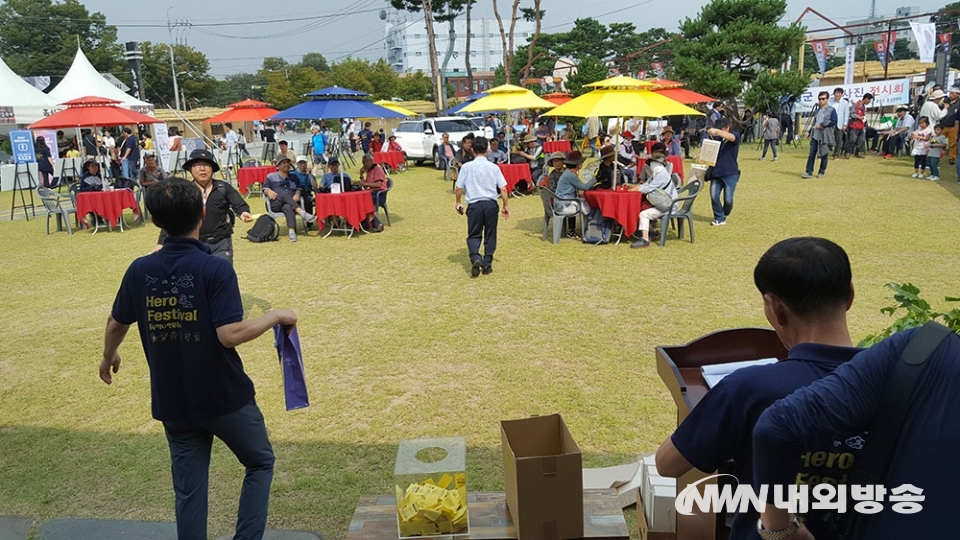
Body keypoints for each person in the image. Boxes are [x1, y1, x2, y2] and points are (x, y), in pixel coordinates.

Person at [100, 177, 296, 540]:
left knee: (189, 490)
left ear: (155, 221)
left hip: (174, 401)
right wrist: (275, 315)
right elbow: (229, 334)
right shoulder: (216, 268)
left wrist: (107, 357)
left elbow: (117, 321)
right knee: (260, 462)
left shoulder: (139, 269)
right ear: (203, 214)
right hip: (225, 396)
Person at [656, 236, 864, 540]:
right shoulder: (903, 383)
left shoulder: (747, 388)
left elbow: (667, 463)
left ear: (776, 309)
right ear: (849, 296)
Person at [154, 149, 253, 264]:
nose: (202, 169)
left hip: (221, 243)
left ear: (212, 168)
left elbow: (239, 204)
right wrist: (161, 243)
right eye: (197, 165)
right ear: (190, 169)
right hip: (193, 244)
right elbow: (172, 219)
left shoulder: (223, 188)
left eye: (206, 165)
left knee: (221, 276)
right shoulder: (185, 192)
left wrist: (243, 212)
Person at [454, 136, 509, 278]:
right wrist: (505, 205)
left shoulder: (466, 167)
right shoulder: (494, 167)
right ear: (487, 149)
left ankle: (475, 257)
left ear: (472, 150)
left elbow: (458, 187)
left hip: (474, 205)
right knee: (490, 233)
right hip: (490, 204)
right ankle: (488, 261)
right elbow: (503, 188)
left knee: (474, 234)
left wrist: (458, 202)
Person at [627, 143, 677, 249]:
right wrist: (633, 186)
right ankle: (650, 232)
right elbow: (646, 184)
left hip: (667, 206)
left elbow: (648, 189)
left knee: (643, 214)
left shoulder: (661, 174)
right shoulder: (657, 173)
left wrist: (635, 189)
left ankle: (645, 240)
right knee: (640, 209)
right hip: (662, 203)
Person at [262, 155, 318, 242]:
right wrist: (269, 191)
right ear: (278, 166)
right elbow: (265, 188)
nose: (287, 165)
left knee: (288, 207)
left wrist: (297, 194)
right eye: (284, 163)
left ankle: (291, 231)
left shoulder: (293, 177)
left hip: (290, 203)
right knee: (284, 193)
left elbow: (299, 188)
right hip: (276, 202)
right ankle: (302, 212)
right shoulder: (271, 176)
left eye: (288, 163)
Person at [705, 117, 741, 226]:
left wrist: (717, 131)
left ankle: (725, 212)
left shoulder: (734, 136)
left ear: (727, 127)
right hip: (716, 173)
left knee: (728, 199)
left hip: (730, 173)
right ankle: (719, 218)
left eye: (721, 129)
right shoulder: (716, 140)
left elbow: (731, 137)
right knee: (714, 196)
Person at [801, 91, 837, 179]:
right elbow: (814, 122)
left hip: (824, 136)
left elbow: (834, 121)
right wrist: (809, 132)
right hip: (815, 135)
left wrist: (823, 125)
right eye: (820, 99)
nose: (821, 101)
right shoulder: (818, 110)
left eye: (823, 99)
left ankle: (821, 171)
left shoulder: (831, 110)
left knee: (824, 154)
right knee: (811, 154)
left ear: (827, 99)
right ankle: (809, 172)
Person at [555, 150, 595, 217]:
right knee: (589, 207)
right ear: (577, 164)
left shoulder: (569, 172)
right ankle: (588, 225)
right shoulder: (570, 174)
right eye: (581, 162)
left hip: (562, 203)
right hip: (564, 205)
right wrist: (594, 179)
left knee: (585, 202)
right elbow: (584, 187)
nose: (582, 164)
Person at [357, 155, 387, 233]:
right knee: (358, 201)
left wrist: (366, 184)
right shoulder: (369, 171)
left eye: (364, 162)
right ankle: (365, 222)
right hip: (371, 192)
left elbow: (378, 184)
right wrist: (361, 175)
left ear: (370, 161)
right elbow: (365, 186)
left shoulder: (377, 169)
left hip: (379, 193)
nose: (363, 164)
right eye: (362, 162)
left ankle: (377, 224)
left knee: (365, 203)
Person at [844, 92, 873, 158]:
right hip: (854, 126)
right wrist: (859, 117)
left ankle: (858, 153)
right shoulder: (855, 105)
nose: (869, 102)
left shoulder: (863, 107)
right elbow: (852, 114)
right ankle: (847, 152)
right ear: (866, 99)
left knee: (860, 140)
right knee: (852, 140)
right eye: (869, 100)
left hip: (861, 126)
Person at [827, 88, 849, 159]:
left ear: (841, 94)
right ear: (834, 94)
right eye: (836, 93)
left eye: (839, 93)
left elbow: (846, 114)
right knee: (827, 138)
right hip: (830, 123)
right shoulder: (829, 101)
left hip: (839, 123)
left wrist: (845, 124)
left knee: (839, 140)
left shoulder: (845, 103)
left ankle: (836, 154)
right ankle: (824, 153)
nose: (837, 94)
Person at [942, 85, 960, 165]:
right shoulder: (945, 101)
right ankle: (936, 156)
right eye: (950, 93)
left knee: (952, 143)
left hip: (953, 126)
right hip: (943, 125)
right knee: (936, 140)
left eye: (953, 93)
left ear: (957, 94)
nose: (951, 95)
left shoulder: (959, 104)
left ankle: (951, 158)